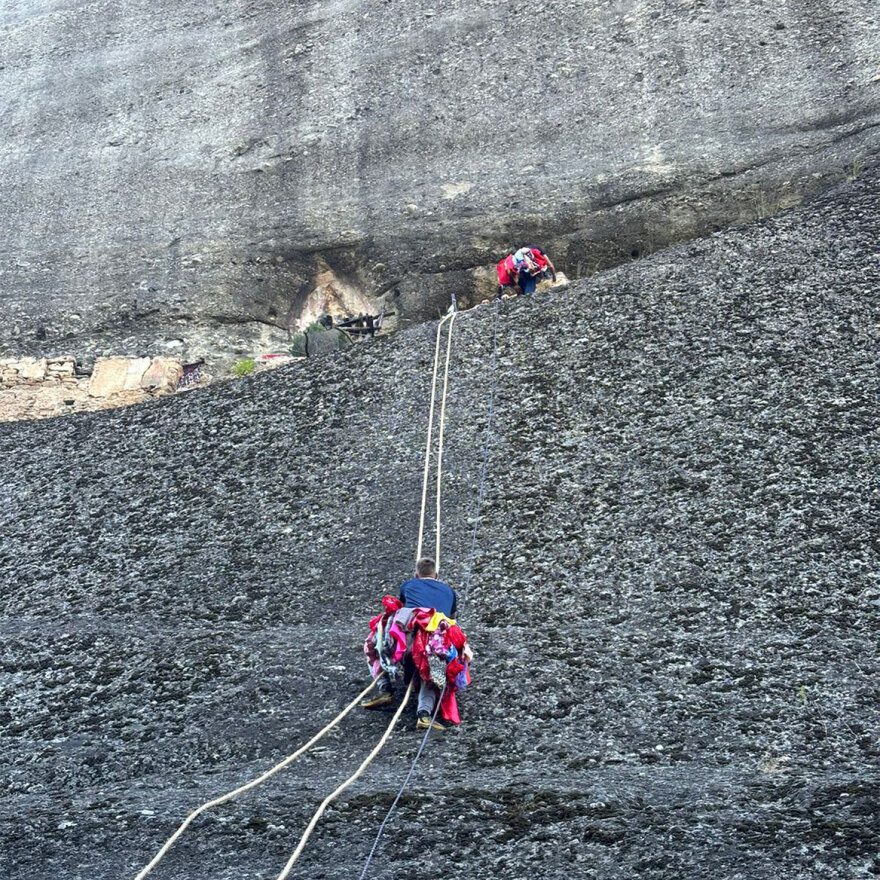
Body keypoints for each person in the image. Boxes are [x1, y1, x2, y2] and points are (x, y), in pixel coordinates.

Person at [361, 558, 470, 731]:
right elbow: (452, 619)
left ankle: (385, 689)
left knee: (375, 646)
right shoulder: (449, 591)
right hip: (434, 637)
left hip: (406, 635)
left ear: (416, 575)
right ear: (437, 575)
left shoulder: (408, 585)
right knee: (432, 669)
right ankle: (424, 714)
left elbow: (403, 606)